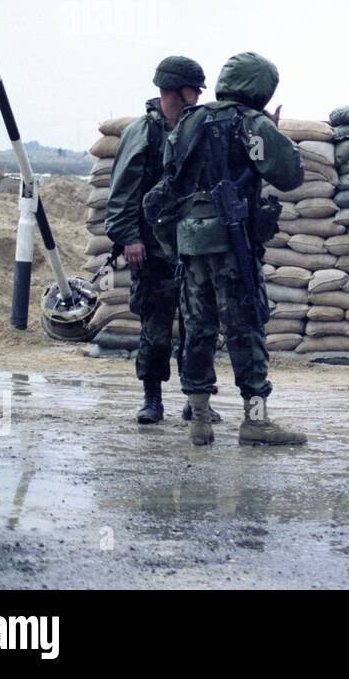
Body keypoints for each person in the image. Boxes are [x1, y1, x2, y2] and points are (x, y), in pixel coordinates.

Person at [161, 52, 306, 447]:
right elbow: (288, 174)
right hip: (232, 243)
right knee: (246, 330)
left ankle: (200, 421)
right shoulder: (251, 125)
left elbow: (172, 176)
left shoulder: (190, 121)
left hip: (191, 244)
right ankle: (255, 421)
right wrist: (269, 135)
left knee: (197, 331)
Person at [105, 55, 217, 425]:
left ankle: (196, 399)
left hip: (193, 248)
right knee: (154, 329)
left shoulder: (198, 129)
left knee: (198, 327)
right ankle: (152, 398)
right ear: (174, 89)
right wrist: (130, 238)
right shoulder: (144, 133)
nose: (198, 96)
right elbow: (122, 193)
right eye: (193, 89)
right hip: (152, 250)